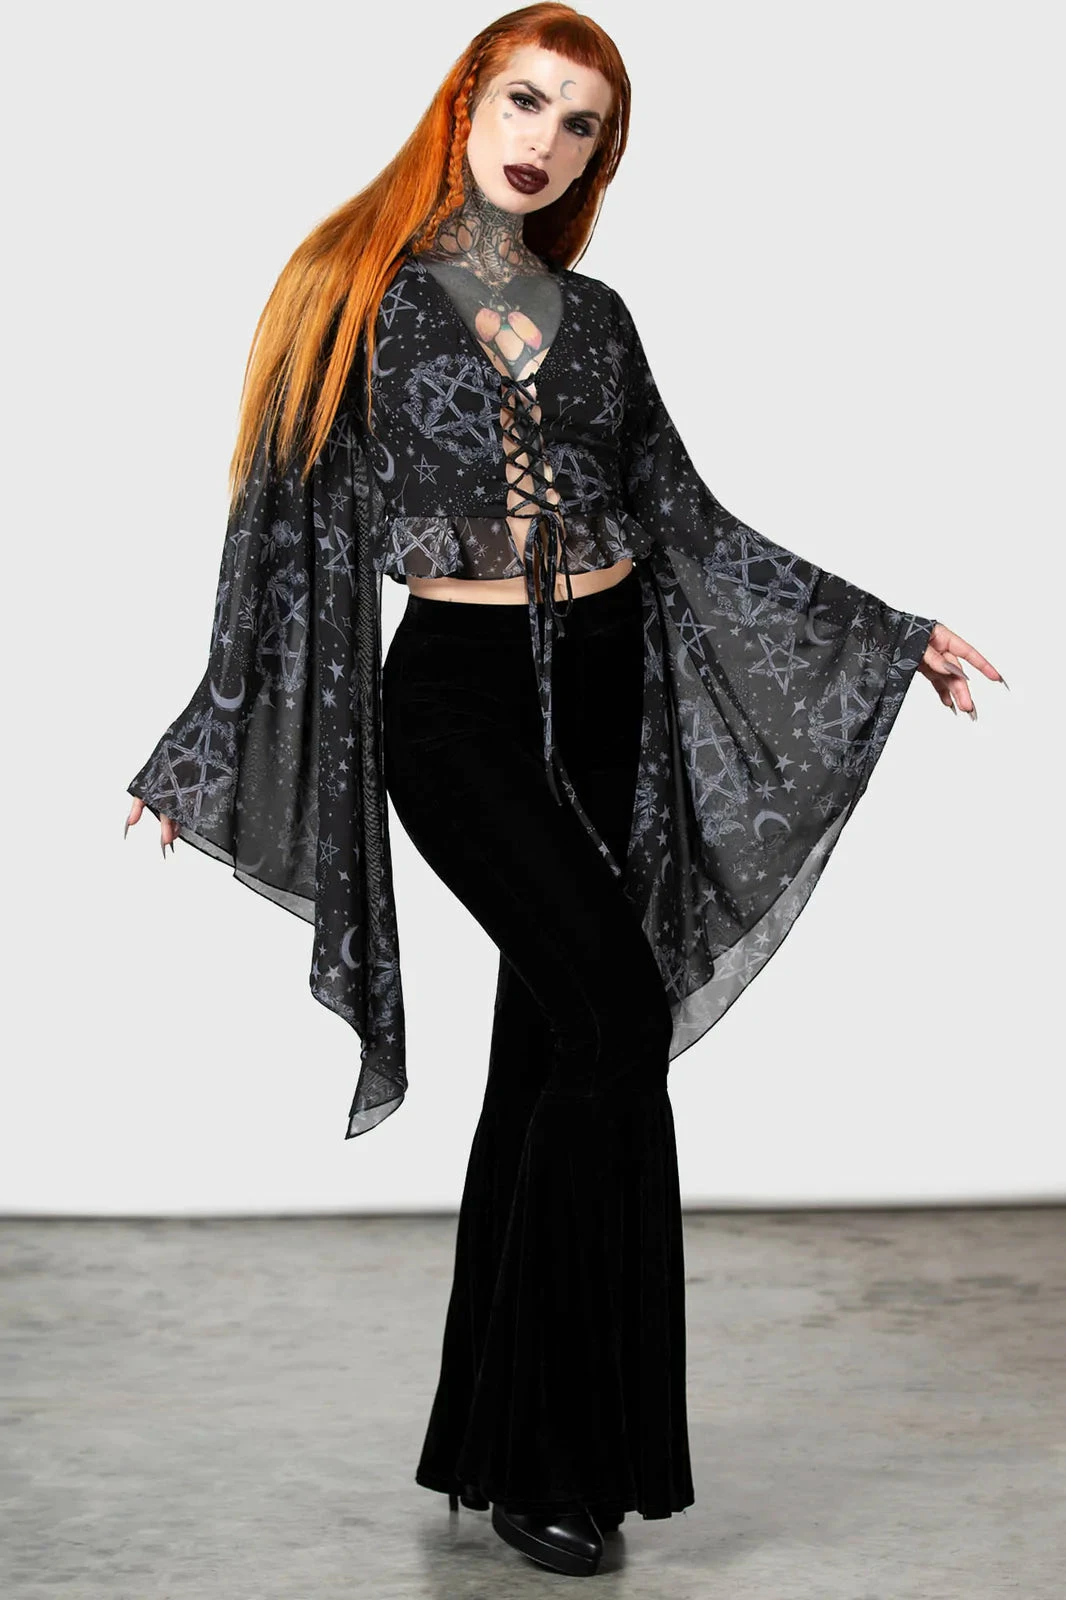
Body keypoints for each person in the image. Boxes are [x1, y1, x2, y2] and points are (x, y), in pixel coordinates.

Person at [124, 3, 1006, 1579]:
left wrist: (886, 633)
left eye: (580, 122)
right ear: (466, 98)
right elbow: (276, 528)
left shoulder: (594, 318)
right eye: (525, 101)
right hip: (457, 707)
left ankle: (498, 1436)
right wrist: (213, 730)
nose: (544, 141)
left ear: (601, 151)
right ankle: (549, 1454)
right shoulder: (351, 288)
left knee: (550, 1059)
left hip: (607, 695)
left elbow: (686, 519)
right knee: (612, 1023)